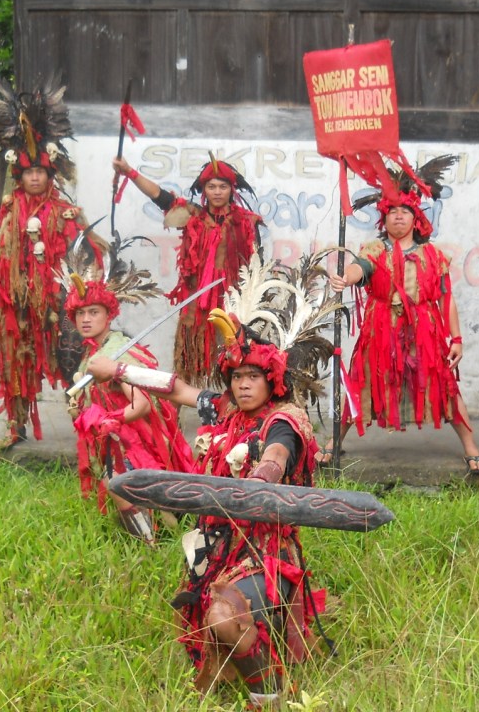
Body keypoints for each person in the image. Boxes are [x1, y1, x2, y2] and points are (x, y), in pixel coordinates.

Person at [86, 255, 338, 708]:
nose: (243, 385)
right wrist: (119, 371)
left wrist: (262, 476)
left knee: (223, 617)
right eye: (237, 376)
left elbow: (279, 455)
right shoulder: (224, 413)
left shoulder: (284, 421)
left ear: (271, 379)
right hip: (218, 551)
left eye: (253, 376)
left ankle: (270, 697)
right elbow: (177, 388)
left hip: (265, 555)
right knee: (210, 634)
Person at [325, 156, 479, 473]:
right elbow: (361, 269)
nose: (398, 217)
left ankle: (470, 446)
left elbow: (446, 299)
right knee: (361, 382)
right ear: (384, 220)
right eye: (393, 212)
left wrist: (456, 338)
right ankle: (335, 441)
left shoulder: (433, 255)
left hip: (424, 331)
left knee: (445, 385)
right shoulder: (374, 251)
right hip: (381, 327)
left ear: (416, 219)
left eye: (405, 211)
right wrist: (346, 277)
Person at [0, 75, 105, 448]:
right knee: (15, 362)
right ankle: (15, 425)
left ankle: (86, 420)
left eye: (40, 172)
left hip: (56, 303)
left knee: (71, 360)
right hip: (16, 302)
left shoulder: (66, 213)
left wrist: (80, 296)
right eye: (29, 172)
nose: (34, 177)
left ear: (50, 174)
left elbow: (86, 256)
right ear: (20, 174)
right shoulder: (7, 209)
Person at [64, 271, 195, 544]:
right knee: (138, 495)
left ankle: (150, 549)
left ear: (108, 315)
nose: (86, 319)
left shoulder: (117, 351)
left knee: (123, 488)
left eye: (93, 312)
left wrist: (110, 420)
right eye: (80, 314)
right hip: (114, 441)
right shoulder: (93, 351)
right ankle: (165, 541)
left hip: (131, 440)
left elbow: (142, 404)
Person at [112, 154, 264, 387]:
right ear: (204, 190)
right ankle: (175, 416)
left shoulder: (247, 221)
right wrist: (129, 171)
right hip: (196, 305)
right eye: (211, 186)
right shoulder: (192, 215)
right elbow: (158, 195)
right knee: (187, 363)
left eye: (222, 186)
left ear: (231, 189)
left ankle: (233, 412)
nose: (217, 192)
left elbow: (257, 265)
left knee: (237, 359)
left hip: (233, 302)